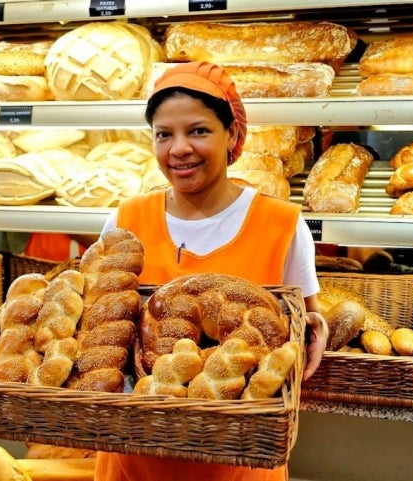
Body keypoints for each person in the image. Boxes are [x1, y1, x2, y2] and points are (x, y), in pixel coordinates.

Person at [95, 61, 329, 481]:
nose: (178, 148)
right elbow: (97, 333)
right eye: (164, 134)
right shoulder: (126, 219)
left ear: (233, 135)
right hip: (133, 462)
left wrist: (315, 326)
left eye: (198, 131)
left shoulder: (280, 224)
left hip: (240, 465)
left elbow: (300, 323)